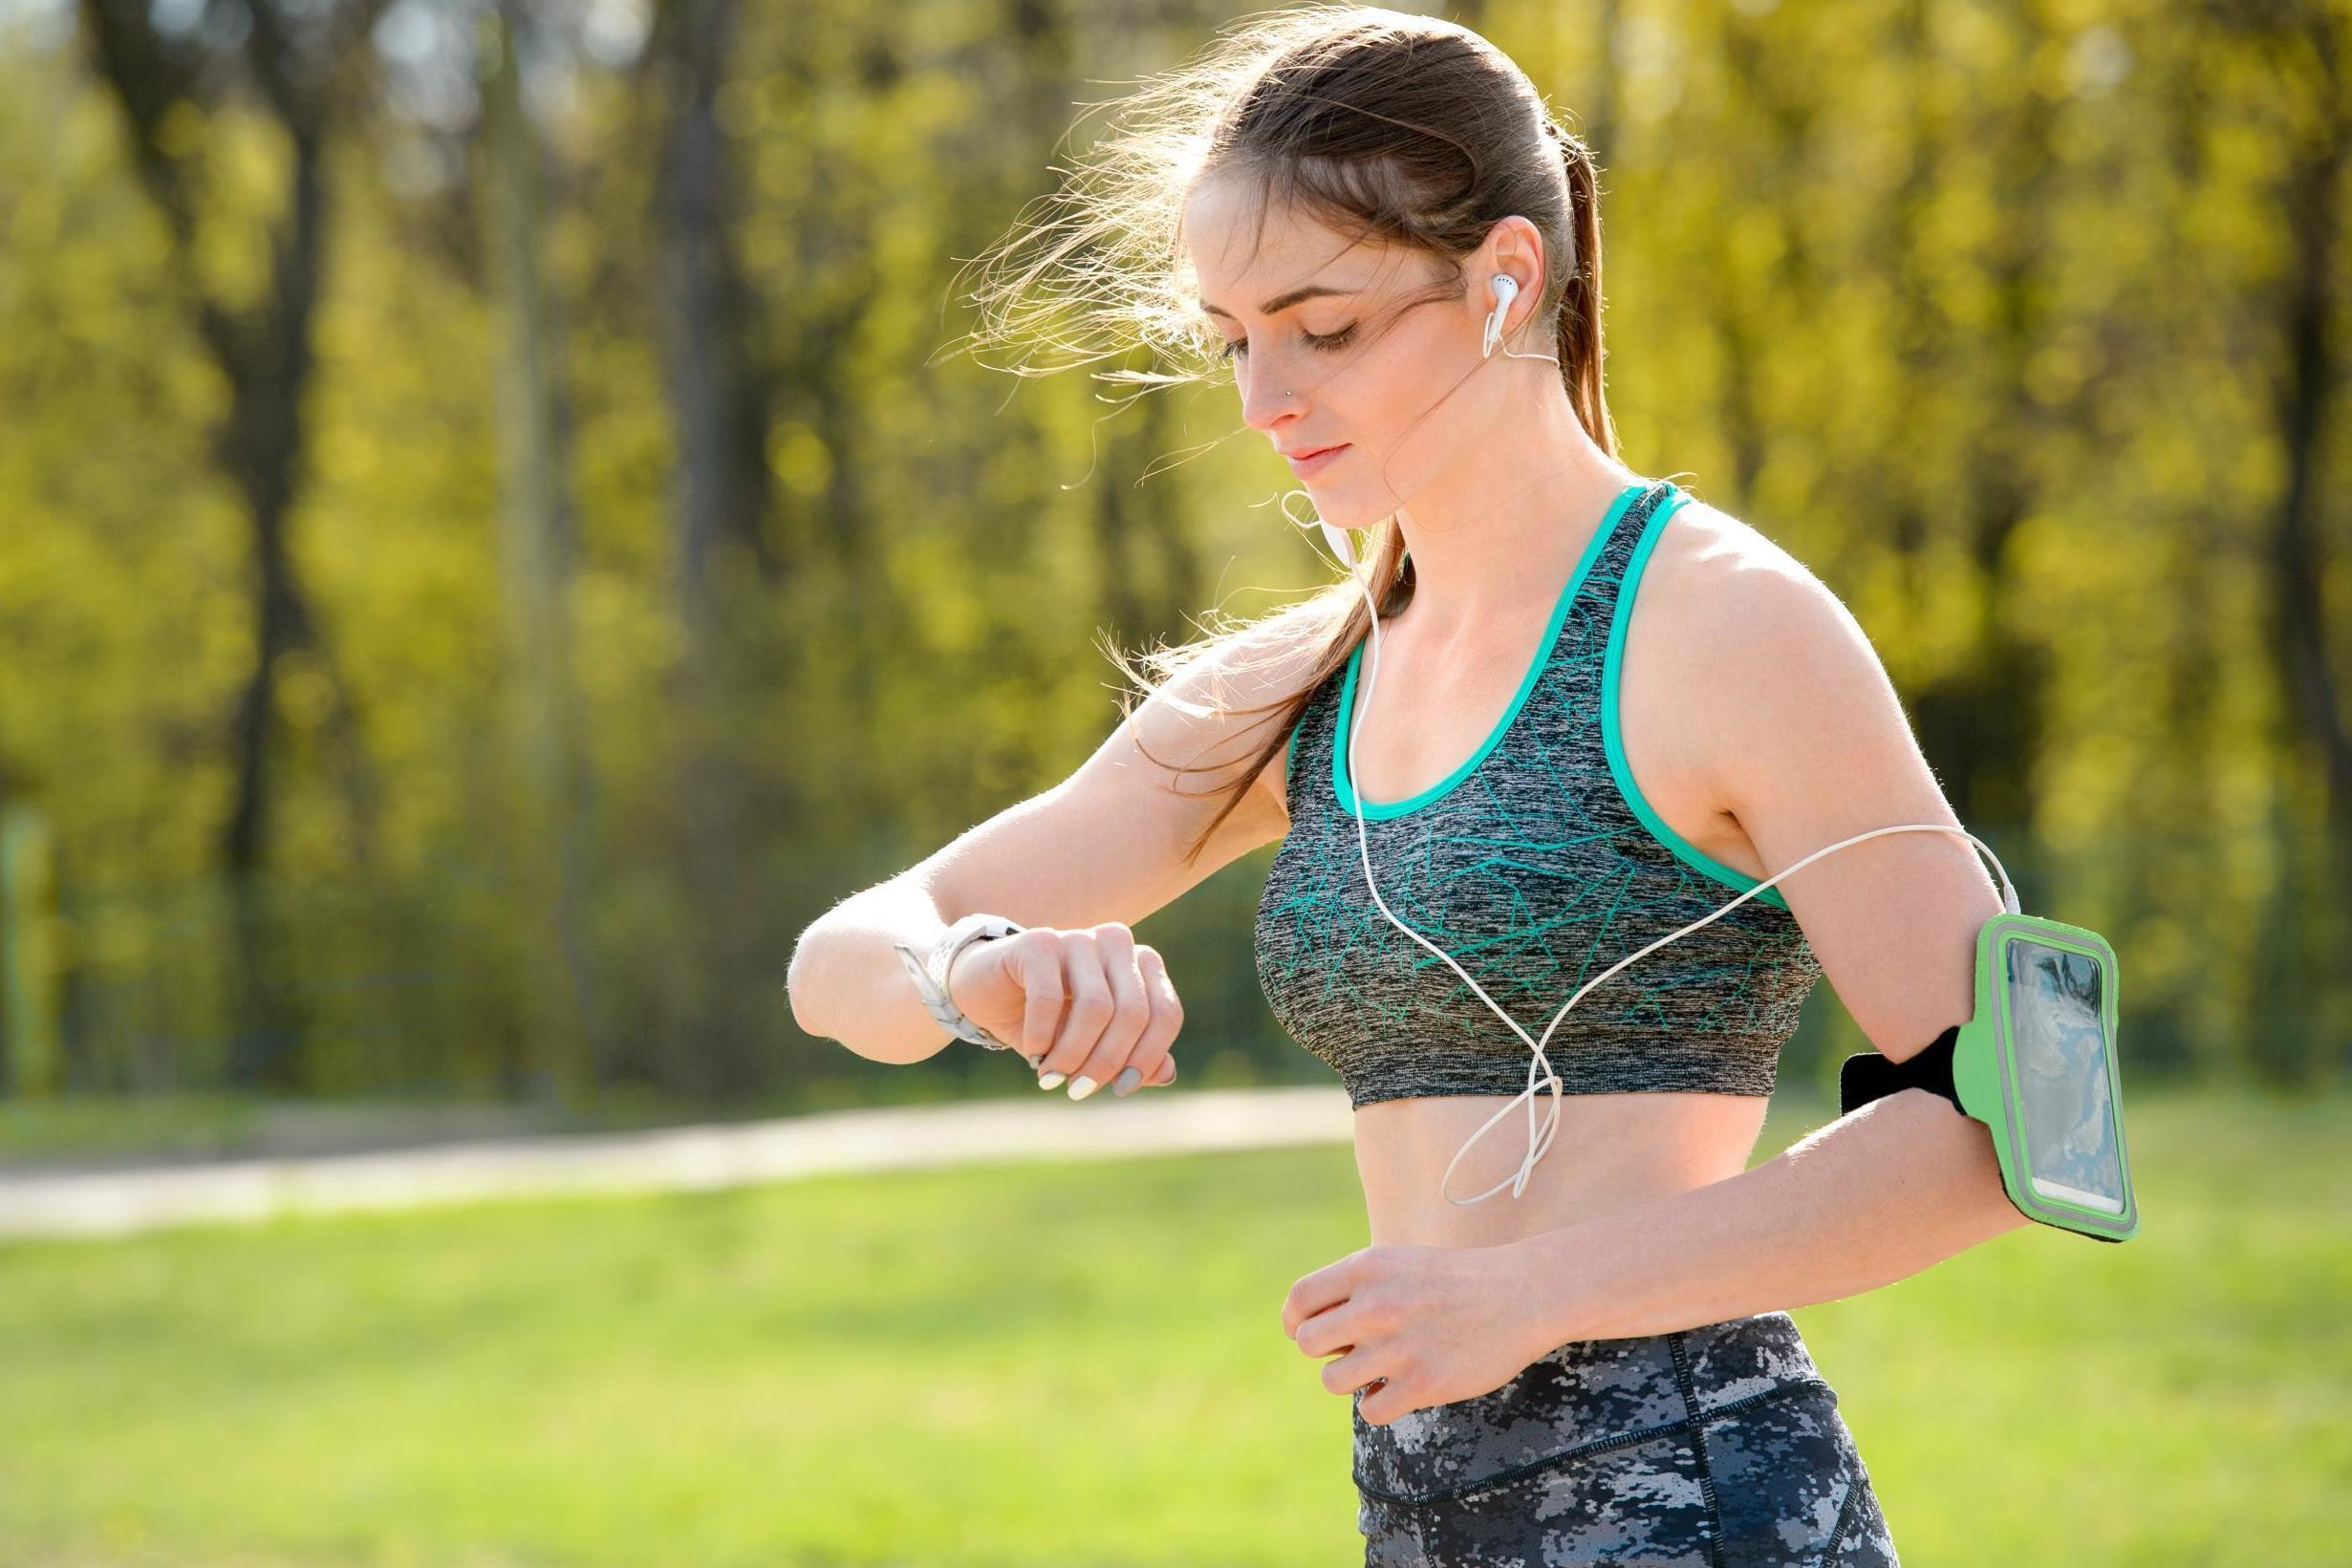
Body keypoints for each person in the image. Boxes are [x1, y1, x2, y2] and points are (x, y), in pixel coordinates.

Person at [787, 7, 2017, 1561]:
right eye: (1233, 339)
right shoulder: (1301, 683)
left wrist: (1532, 1292)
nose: (1262, 397)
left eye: (1324, 327)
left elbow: (2003, 1130)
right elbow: (838, 964)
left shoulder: (1727, 628)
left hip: (1706, 1509)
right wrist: (974, 969)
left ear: (1503, 277)